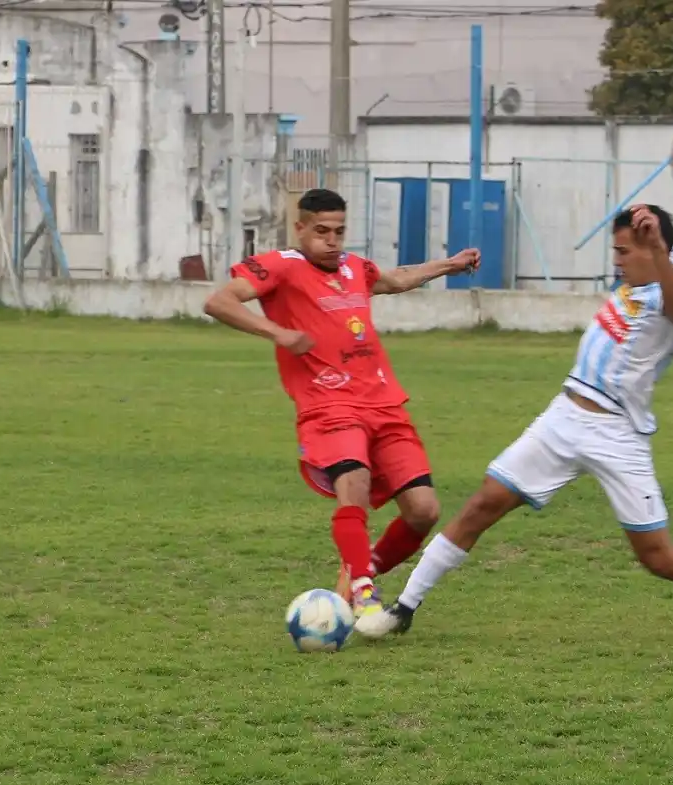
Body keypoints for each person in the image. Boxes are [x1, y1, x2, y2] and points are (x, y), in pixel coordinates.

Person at [363, 138, 673, 642]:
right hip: (562, 417)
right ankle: (404, 608)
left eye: (623, 251)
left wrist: (659, 248)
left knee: (657, 556)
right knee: (482, 504)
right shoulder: (669, 262)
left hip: (617, 433)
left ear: (648, 250)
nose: (617, 261)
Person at [202, 188, 481, 637]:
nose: (332, 241)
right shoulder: (280, 265)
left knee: (423, 510)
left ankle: (351, 581)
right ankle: (366, 597)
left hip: (384, 402)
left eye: (339, 231)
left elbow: (397, 278)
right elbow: (220, 301)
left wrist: (450, 264)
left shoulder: (355, 267)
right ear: (300, 228)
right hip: (327, 404)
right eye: (321, 232)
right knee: (354, 484)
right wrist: (276, 332)